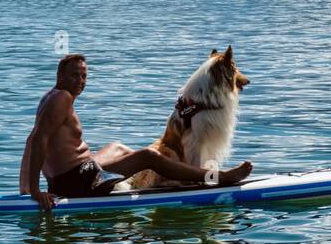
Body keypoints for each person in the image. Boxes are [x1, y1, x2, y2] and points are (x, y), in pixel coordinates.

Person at [20, 53, 252, 210]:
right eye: (75, 76)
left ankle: (151, 177)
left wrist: (26, 187)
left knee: (116, 147)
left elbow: (31, 140)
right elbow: (39, 141)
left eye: (84, 76)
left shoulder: (50, 97)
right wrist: (35, 193)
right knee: (148, 157)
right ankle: (218, 178)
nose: (81, 81)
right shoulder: (61, 99)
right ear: (60, 76)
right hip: (78, 181)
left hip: (74, 175)